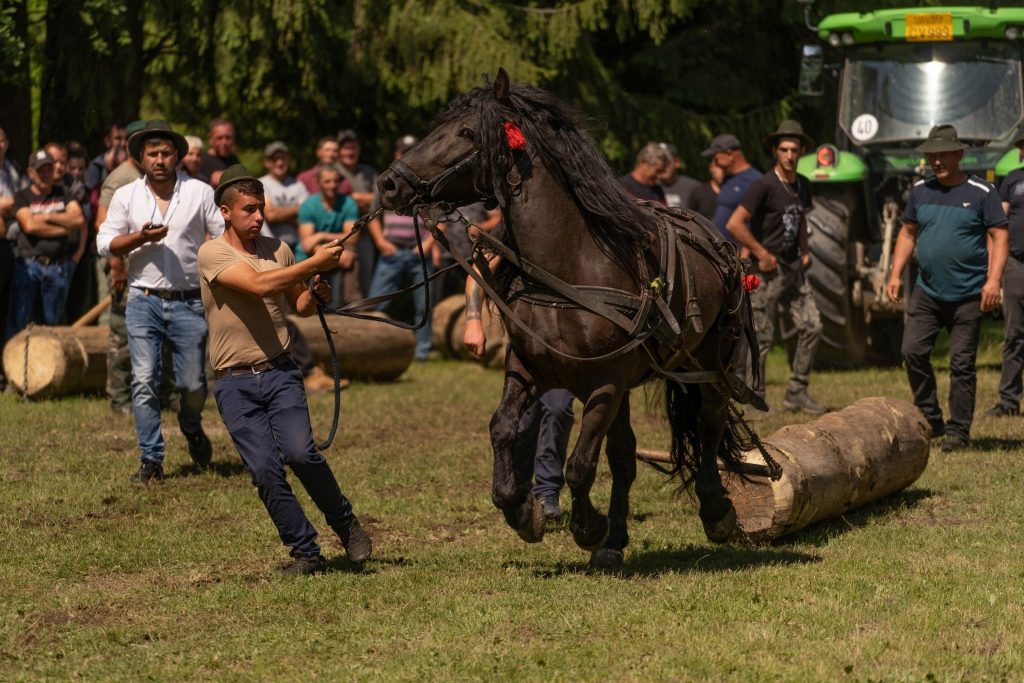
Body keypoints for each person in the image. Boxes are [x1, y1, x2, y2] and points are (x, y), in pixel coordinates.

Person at [198, 164, 372, 575]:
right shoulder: (212, 253)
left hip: (279, 372)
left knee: (301, 453)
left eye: (261, 209)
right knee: (264, 470)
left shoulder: (279, 250)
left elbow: (299, 305)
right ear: (225, 212)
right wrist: (314, 262)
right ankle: (305, 551)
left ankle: (346, 524)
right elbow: (259, 286)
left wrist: (315, 293)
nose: (258, 217)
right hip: (233, 382)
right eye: (249, 210)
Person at [97, 120, 224, 482]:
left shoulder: (199, 193)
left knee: (194, 385)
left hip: (189, 302)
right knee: (144, 380)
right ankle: (151, 459)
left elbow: (221, 234)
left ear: (177, 157)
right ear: (140, 158)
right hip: (143, 300)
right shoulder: (126, 197)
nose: (159, 159)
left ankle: (190, 423)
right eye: (152, 153)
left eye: (166, 153)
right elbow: (104, 242)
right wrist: (138, 238)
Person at [886, 124, 1008, 452]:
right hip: (927, 290)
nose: (936, 161)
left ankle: (958, 430)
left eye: (942, 155)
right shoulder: (920, 191)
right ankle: (931, 415)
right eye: (931, 155)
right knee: (912, 351)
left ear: (959, 155)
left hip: (969, 293)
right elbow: (908, 233)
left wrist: (994, 280)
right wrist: (895, 274)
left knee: (961, 364)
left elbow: (999, 237)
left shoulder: (982, 193)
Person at [726, 120, 823, 415]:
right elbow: (734, 223)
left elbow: (802, 217)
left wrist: (805, 250)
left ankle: (797, 392)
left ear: (802, 151)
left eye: (795, 150)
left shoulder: (802, 183)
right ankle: (756, 396)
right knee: (761, 337)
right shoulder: (764, 185)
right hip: (765, 272)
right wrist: (759, 252)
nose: (790, 155)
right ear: (775, 152)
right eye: (784, 149)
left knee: (812, 326)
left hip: (794, 270)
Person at [463, 263, 573, 520]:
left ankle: (547, 492)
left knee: (558, 410)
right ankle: (520, 486)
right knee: (523, 422)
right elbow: (478, 271)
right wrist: (473, 320)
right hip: (526, 347)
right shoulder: (519, 230)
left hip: (564, 346)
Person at [366, 135, 436, 360]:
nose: (406, 155)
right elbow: (372, 217)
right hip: (392, 250)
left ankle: (422, 352)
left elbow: (438, 218)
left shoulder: (427, 183)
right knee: (376, 301)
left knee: (423, 305)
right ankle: (369, 346)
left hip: (419, 250)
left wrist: (427, 243)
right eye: (403, 151)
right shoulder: (385, 181)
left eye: (411, 150)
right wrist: (381, 243)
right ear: (396, 155)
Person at [6, 149, 87, 337]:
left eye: (49, 169)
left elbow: (77, 219)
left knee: (51, 326)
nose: (45, 174)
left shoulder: (64, 193)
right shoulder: (22, 196)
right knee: (19, 321)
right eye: (40, 170)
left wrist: (47, 215)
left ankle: (44, 365)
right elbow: (30, 225)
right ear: (30, 173)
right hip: (29, 267)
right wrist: (63, 225)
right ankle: (14, 365)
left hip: (57, 269)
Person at [988, 133, 1024, 417]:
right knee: (1014, 335)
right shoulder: (1012, 180)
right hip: (1016, 266)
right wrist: (994, 272)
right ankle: (1009, 401)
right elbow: (998, 225)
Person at [296, 164, 360, 308]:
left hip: (335, 249)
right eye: (327, 181)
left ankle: (353, 303)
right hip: (309, 255)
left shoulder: (348, 204)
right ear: (318, 183)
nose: (332, 185)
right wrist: (325, 253)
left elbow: (353, 237)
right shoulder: (308, 205)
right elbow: (307, 243)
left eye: (336, 181)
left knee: (351, 253)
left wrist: (320, 235)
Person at [336, 129, 379, 297]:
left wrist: (357, 197)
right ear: (339, 151)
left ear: (358, 150)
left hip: (366, 235)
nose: (349, 152)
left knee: (365, 284)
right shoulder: (333, 171)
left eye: (353, 148)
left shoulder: (368, 172)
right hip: (340, 235)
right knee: (339, 288)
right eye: (345, 148)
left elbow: (380, 198)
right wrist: (364, 200)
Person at [0, 127, 28, 362]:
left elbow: (24, 199)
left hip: (13, 247)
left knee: (8, 308)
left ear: (7, 143)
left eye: (1, 140)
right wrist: (15, 207)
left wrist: (8, 207)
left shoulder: (12, 169)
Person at [706, 133, 761, 241]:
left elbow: (758, 224)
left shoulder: (755, 180)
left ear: (730, 155)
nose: (714, 163)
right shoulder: (728, 178)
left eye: (716, 158)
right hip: (718, 251)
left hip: (736, 253)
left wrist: (746, 253)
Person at [258, 141, 308, 250]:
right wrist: (296, 209)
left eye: (283, 158)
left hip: (296, 247)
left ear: (288, 160)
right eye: (274, 159)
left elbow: (306, 218)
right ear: (266, 162)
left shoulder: (298, 185)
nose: (279, 163)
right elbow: (271, 215)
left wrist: (279, 213)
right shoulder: (260, 184)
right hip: (269, 248)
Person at [84, 123, 127, 193]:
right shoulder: (96, 167)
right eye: (118, 138)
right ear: (107, 141)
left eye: (126, 138)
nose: (123, 143)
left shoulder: (133, 165)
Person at [658, 143, 702, 211]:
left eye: (666, 162)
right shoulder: (648, 187)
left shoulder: (694, 188)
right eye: (659, 162)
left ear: (677, 162)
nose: (663, 166)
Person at [199, 118, 240, 187]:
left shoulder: (234, 160)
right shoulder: (200, 161)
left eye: (228, 138)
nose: (224, 142)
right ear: (210, 139)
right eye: (219, 138)